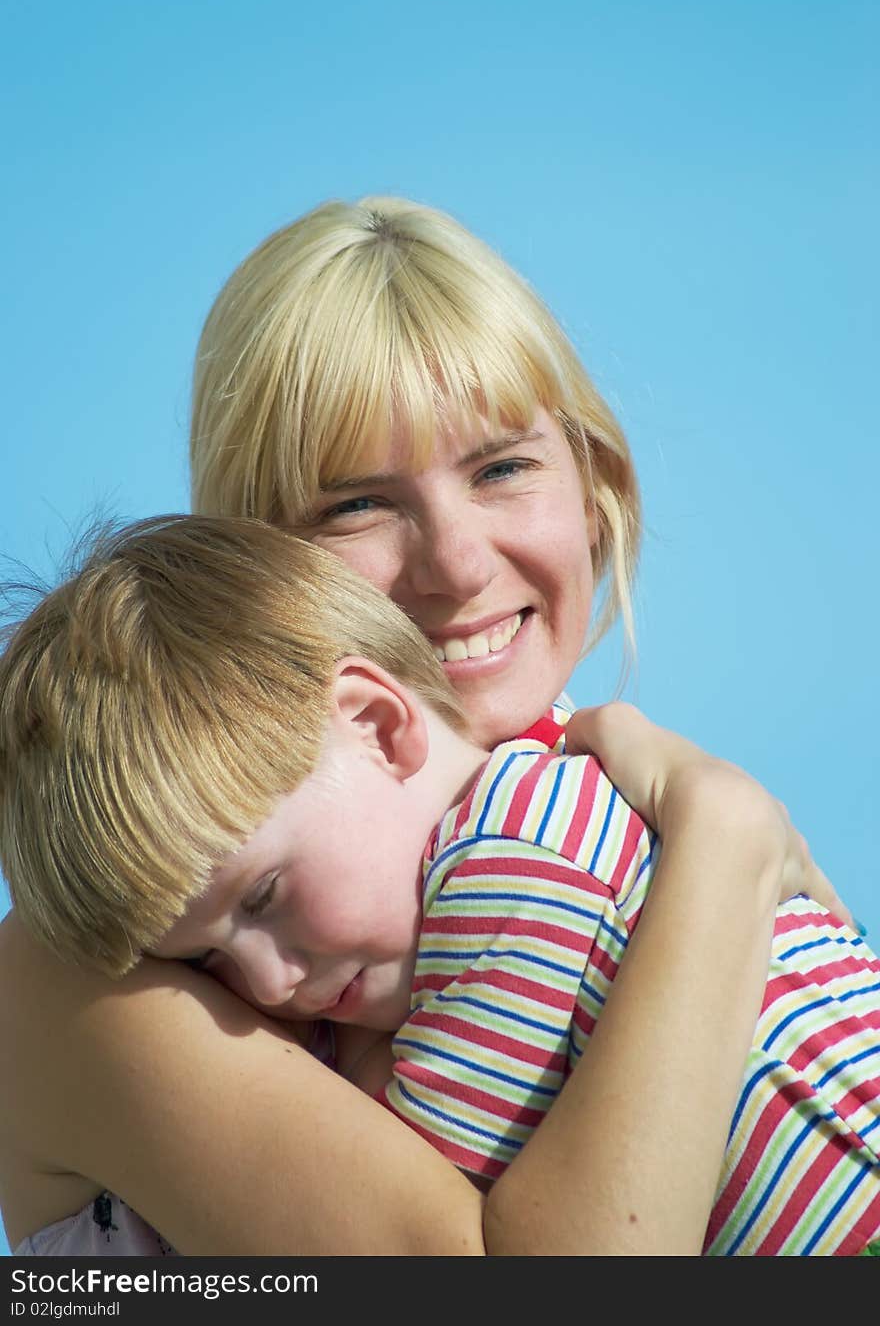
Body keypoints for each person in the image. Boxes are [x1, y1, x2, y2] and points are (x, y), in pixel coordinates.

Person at [0, 196, 852, 1258]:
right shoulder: (88, 952)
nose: (454, 561)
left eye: (501, 467)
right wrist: (724, 836)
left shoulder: (578, 850)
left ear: (596, 490)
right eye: (354, 504)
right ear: (258, 569)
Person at [2, 515, 875, 1257]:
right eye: (206, 961)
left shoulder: (505, 869)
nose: (266, 985)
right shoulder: (566, 799)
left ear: (378, 726)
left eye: (264, 894)